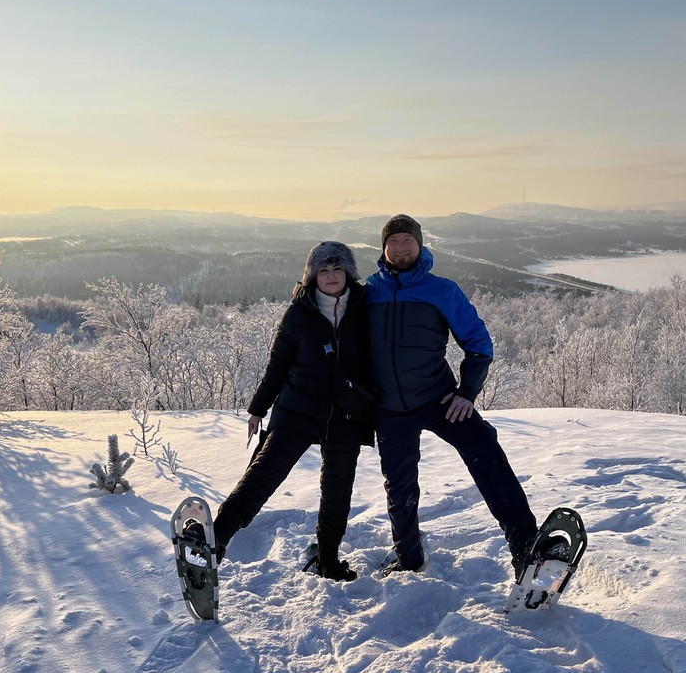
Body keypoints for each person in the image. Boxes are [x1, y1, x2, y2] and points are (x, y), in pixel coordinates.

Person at [366, 214, 554, 577]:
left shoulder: (443, 291)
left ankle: (525, 547)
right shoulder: (367, 292)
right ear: (383, 247)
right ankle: (408, 558)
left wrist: (466, 393)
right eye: (394, 241)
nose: (401, 247)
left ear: (420, 246)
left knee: (486, 451)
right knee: (400, 485)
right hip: (389, 408)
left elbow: (479, 345)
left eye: (408, 240)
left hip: (439, 399)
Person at [207, 241, 376, 581]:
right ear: (312, 275)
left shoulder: (365, 309)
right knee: (263, 474)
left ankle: (328, 558)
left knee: (338, 491)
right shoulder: (299, 312)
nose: (330, 276)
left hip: (346, 414)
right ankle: (213, 540)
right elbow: (277, 365)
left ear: (348, 273)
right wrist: (258, 407)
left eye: (337, 268)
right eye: (323, 270)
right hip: (298, 407)